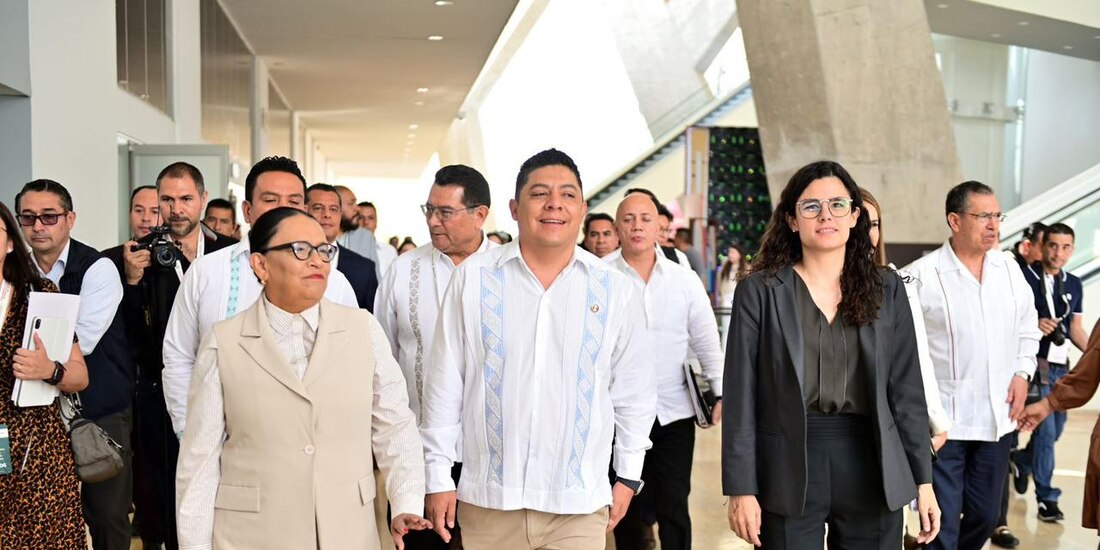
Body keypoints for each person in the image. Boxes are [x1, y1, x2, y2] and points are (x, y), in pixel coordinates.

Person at [420, 148, 656, 549]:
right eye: (540, 193)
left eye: (568, 195)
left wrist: (628, 476)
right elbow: (444, 385)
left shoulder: (615, 289)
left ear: (582, 209)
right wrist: (438, 476)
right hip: (491, 501)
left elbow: (634, 391)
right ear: (514, 208)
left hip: (578, 505)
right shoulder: (473, 280)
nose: (554, 204)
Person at [176, 207, 430, 548]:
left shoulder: (362, 329)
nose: (317, 262)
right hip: (252, 535)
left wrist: (406, 501)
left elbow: (394, 424)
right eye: (300, 250)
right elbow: (200, 460)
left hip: (347, 530)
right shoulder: (224, 342)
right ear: (260, 265)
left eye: (324, 250)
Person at [724, 160, 939, 549]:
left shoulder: (887, 289)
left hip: (872, 460)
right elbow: (741, 397)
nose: (826, 215)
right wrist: (741, 488)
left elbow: (907, 392)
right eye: (811, 206)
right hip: (786, 463)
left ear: (855, 216)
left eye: (838, 205)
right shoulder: (760, 292)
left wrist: (923, 481)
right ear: (792, 220)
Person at [162, 156, 359, 436]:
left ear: (304, 209)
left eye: (293, 201)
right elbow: (179, 358)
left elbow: (350, 366)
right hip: (223, 444)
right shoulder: (207, 272)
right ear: (247, 210)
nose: (282, 209)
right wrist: (190, 433)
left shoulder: (333, 282)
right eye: (270, 199)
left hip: (311, 441)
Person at [105, 163, 237, 550]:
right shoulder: (139, 256)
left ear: (203, 199)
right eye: (167, 199)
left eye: (185, 199)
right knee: (164, 491)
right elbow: (128, 336)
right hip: (158, 391)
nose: (176, 209)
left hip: (227, 385)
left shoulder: (229, 253)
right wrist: (132, 283)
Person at [903, 180, 1041, 550]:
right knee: (942, 523)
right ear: (955, 220)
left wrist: (1022, 373)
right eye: (983, 216)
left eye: (997, 216)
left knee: (984, 517)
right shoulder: (920, 276)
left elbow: (1028, 328)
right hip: (943, 426)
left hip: (997, 419)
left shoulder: (1009, 269)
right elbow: (904, 351)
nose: (994, 225)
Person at [375, 163, 497, 550]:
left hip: (492, 457)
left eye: (444, 212)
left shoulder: (506, 271)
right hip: (419, 453)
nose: (432, 221)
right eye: (429, 209)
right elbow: (382, 363)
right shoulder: (402, 271)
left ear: (480, 214)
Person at [16, 179, 133, 550]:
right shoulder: (14, 272)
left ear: (70, 219)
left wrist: (35, 354)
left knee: (107, 516)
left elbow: (81, 340)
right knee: (45, 514)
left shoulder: (97, 269)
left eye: (49, 216)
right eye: (28, 217)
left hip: (98, 409)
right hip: (36, 414)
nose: (38, 226)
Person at [606, 192, 723, 550]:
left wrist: (720, 391)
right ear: (617, 228)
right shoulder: (600, 275)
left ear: (659, 225)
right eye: (628, 219)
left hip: (673, 413)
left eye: (645, 218)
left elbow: (707, 340)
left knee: (674, 502)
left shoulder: (682, 279)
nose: (637, 226)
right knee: (625, 505)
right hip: (617, 415)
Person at [0, 200, 90, 548]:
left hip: (38, 452)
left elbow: (80, 376)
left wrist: (49, 370)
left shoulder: (41, 296)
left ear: (10, 243)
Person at [1011, 222, 1087, 522]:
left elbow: (1076, 329)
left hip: (1061, 365)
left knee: (1058, 428)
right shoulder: (1023, 277)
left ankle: (1022, 461)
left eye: (1065, 247)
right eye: (1053, 245)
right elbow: (1008, 319)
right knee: (1046, 431)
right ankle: (1047, 498)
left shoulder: (1074, 283)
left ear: (1072, 250)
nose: (1058, 253)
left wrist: (1093, 354)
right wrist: (1034, 324)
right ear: (1042, 247)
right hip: (1035, 363)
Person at [1020, 320, 1100, 533]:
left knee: (1051, 434)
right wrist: (1048, 403)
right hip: (1043, 366)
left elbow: (1086, 374)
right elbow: (1086, 375)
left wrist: (1049, 403)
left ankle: (1023, 463)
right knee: (1047, 436)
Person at [307, 183, 379, 311]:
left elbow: (369, 320)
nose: (327, 214)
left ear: (340, 215)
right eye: (318, 208)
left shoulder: (364, 269)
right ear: (304, 211)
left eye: (333, 209)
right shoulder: (286, 260)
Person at [333, 185, 385, 277]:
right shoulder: (319, 236)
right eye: (351, 203)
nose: (357, 209)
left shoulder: (366, 237)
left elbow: (374, 277)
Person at [357, 199, 398, 277]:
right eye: (361, 218)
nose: (366, 222)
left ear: (376, 222)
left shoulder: (389, 251)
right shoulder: (345, 250)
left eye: (370, 218)